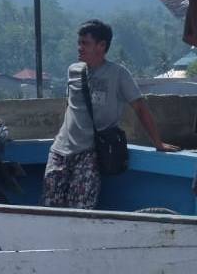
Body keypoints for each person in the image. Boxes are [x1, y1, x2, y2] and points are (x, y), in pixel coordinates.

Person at [42, 20, 178, 209]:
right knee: (49, 208)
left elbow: (140, 108)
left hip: (90, 152)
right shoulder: (73, 71)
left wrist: (158, 143)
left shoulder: (118, 74)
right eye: (79, 42)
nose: (80, 48)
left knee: (80, 211)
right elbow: (70, 106)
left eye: (85, 43)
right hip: (59, 150)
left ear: (102, 46)